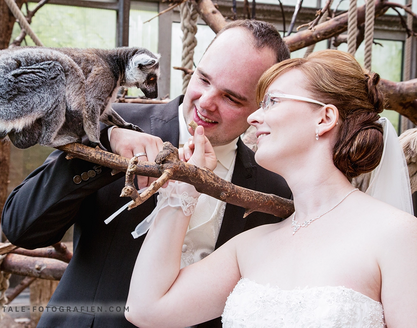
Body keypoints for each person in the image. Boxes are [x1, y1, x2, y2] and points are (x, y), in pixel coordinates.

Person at [1, 20, 292, 327]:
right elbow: (22, 228)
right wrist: (106, 150)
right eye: (203, 79)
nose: (206, 103)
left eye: (232, 98)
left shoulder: (272, 189)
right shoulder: (108, 125)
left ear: (262, 106)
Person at [125, 49, 417, 327]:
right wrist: (185, 188)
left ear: (325, 118)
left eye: (272, 102)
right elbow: (146, 309)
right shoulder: (250, 246)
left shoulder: (398, 234)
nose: (253, 116)